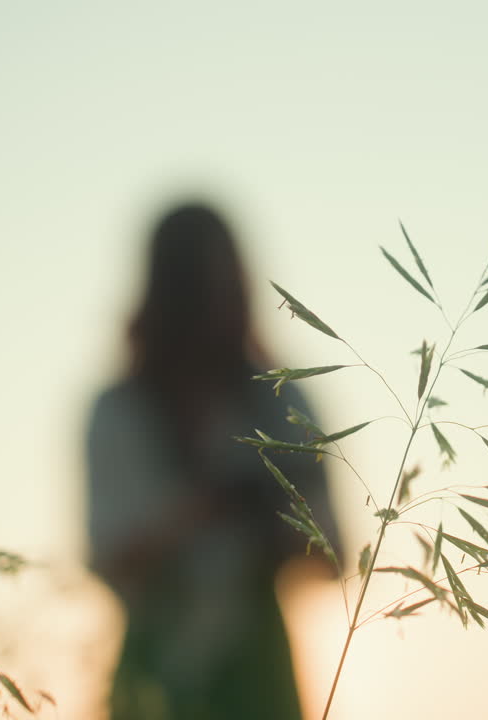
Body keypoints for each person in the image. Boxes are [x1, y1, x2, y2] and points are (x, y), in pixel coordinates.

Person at [85, 202, 338, 720]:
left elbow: (335, 558)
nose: (216, 310)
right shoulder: (119, 413)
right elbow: (104, 558)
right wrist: (204, 509)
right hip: (154, 672)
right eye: (199, 292)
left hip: (259, 675)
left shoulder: (282, 402)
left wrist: (272, 523)